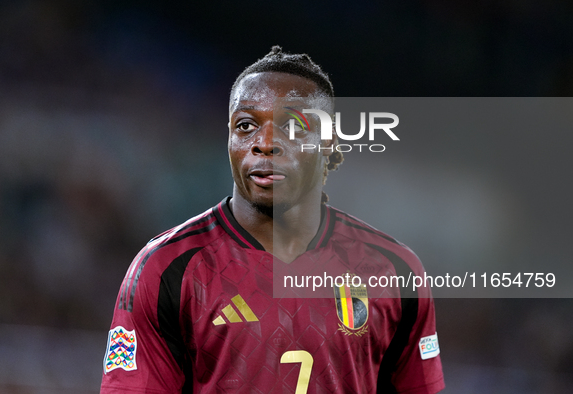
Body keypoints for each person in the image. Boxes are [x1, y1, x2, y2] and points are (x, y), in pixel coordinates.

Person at [100, 46, 445, 393]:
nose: (264, 143)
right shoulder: (165, 269)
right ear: (230, 136)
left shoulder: (394, 269)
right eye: (246, 125)